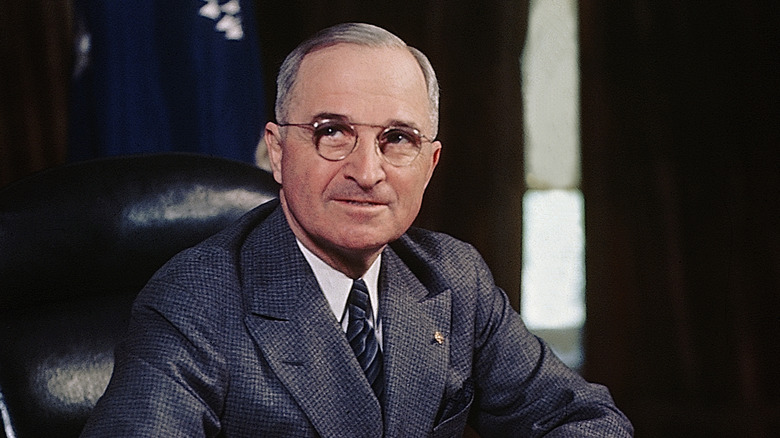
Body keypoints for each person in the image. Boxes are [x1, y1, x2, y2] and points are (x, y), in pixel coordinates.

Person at [82, 22, 633, 437]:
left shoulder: (453, 279)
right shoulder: (195, 303)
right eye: (332, 133)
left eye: (397, 139)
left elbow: (587, 421)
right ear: (277, 151)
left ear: (430, 163)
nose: (367, 173)